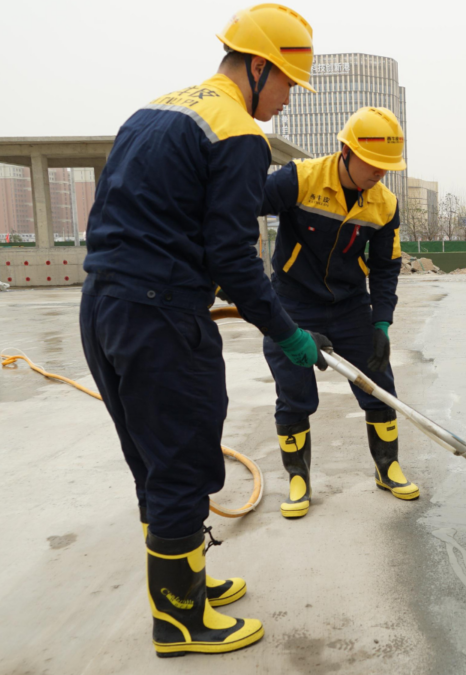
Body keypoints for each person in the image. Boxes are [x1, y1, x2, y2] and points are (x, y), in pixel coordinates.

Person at [78, 4, 329, 658]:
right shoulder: (237, 132)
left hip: (104, 305)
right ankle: (179, 621)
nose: (285, 103)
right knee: (185, 458)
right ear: (257, 66)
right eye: (285, 86)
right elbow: (232, 257)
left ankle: (185, 583)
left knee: (156, 460)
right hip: (159, 315)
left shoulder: (155, 110)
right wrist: (288, 330)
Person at [260, 107, 415, 520]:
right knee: (295, 395)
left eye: (388, 166)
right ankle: (298, 478)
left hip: (350, 307)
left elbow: (386, 267)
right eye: (374, 163)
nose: (380, 173)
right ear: (345, 150)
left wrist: (381, 321)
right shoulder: (301, 179)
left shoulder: (384, 204)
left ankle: (388, 468)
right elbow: (239, 207)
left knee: (377, 385)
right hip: (293, 304)